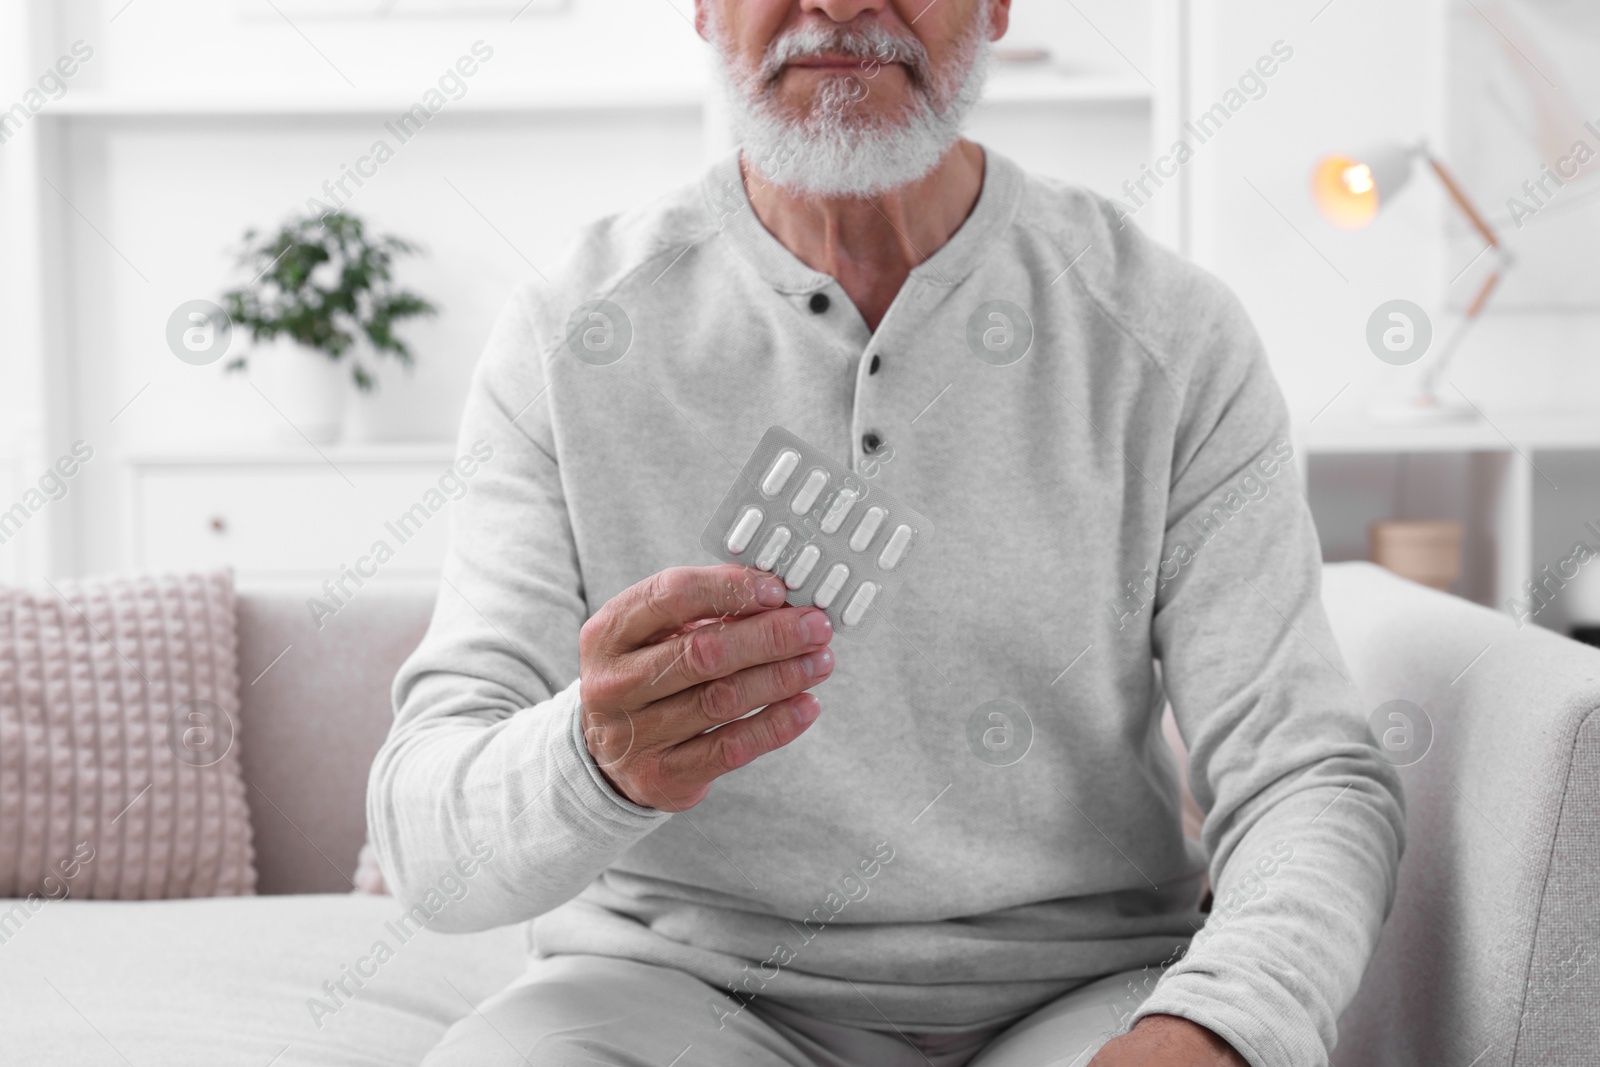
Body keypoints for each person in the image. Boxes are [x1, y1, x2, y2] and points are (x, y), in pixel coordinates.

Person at [367, 1, 1406, 1064]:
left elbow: (1306, 775)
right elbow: (424, 843)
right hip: (673, 994)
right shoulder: (568, 336)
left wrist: (1216, 1025)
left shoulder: (1170, 334)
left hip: (1080, 997)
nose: (837, 3)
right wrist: (592, 757)